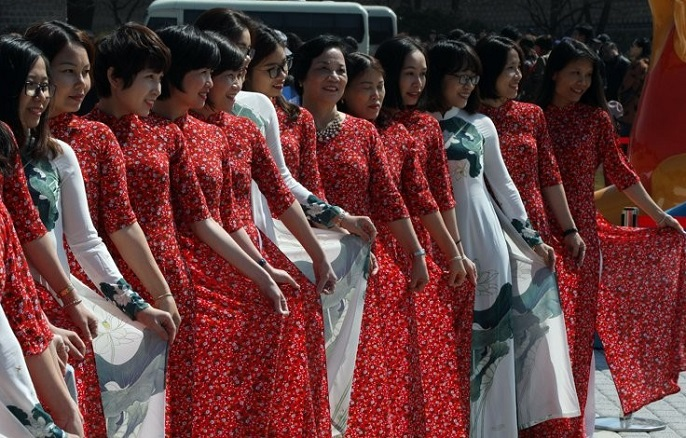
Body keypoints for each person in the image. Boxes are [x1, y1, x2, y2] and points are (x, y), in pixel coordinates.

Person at [151, 25, 331, 436]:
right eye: (224, 74)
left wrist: (313, 250)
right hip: (189, 255)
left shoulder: (237, 129)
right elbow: (204, 218)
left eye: (237, 74)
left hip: (234, 244)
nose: (233, 84)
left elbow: (273, 194)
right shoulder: (168, 130)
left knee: (286, 305)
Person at [88, 23, 264, 435]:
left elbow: (201, 216)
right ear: (115, 78)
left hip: (167, 274)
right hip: (107, 280)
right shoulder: (86, 135)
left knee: (174, 394)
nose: (156, 86)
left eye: (158, 77)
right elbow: (108, 224)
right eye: (149, 77)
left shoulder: (165, 135)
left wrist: (261, 273)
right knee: (117, 401)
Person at [24, 20, 182, 436]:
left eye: (85, 72)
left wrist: (140, 304)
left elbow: (90, 237)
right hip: (21, 300)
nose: (80, 83)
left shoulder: (65, 152)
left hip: (65, 297)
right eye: (66, 72)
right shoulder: (12, 148)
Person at [531, 38, 686, 437]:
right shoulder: (532, 118)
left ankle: (575, 424)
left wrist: (658, 217)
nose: (582, 82)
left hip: (582, 240)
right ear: (554, 73)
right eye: (574, 74)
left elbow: (622, 174)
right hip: (533, 236)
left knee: (578, 336)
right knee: (541, 334)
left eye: (588, 75)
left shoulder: (596, 120)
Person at [425, 40, 576, 437]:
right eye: (459, 76)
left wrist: (532, 239)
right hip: (429, 240)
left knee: (490, 342)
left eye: (472, 76)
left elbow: (505, 187)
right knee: (436, 341)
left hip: (484, 238)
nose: (467, 84)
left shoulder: (480, 124)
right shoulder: (413, 124)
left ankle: (492, 428)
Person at [292, 34, 429, 437]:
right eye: (323, 68)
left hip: (358, 267)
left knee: (358, 368)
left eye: (340, 70)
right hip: (298, 262)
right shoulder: (283, 128)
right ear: (300, 76)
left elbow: (389, 200)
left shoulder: (362, 133)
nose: (334, 77)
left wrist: (417, 253)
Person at [340, 50, 475, 437]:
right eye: (408, 74)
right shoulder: (324, 129)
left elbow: (428, 196)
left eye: (422, 74)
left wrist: (454, 251)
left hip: (405, 251)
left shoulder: (407, 130)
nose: (416, 84)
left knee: (406, 357)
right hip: (346, 254)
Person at [195, 8, 376, 243]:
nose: (245, 59)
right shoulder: (173, 116)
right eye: (238, 48)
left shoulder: (257, 109)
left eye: (248, 50)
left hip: (255, 237)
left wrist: (338, 219)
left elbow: (281, 182)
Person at [0, 121, 83, 436]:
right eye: (30, 85)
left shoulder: (3, 137)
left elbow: (26, 228)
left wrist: (50, 315)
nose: (40, 96)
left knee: (63, 417)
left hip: (21, 310)